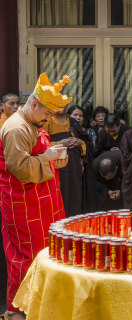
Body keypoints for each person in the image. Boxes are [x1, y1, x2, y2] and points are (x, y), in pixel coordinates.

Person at [0, 73, 68, 319]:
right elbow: (19, 167)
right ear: (34, 103)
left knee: (46, 252)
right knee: (26, 257)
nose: (48, 119)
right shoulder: (16, 127)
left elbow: (36, 158)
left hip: (40, 202)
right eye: (47, 114)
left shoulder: (31, 122)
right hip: (24, 205)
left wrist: (54, 160)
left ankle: (40, 306)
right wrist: (46, 158)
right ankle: (17, 310)